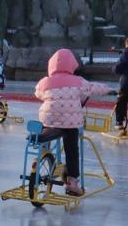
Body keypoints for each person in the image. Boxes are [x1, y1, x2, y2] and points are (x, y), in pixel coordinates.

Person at [35, 48, 109, 196]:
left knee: (46, 130)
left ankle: (43, 154)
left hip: (49, 121)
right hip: (70, 124)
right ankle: (72, 181)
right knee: (71, 149)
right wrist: (109, 89)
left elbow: (37, 93)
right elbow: (93, 88)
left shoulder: (45, 82)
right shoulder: (78, 82)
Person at [113, 38, 128, 130]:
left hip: (126, 84)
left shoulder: (126, 54)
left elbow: (118, 68)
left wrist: (114, 68)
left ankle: (119, 122)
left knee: (121, 100)